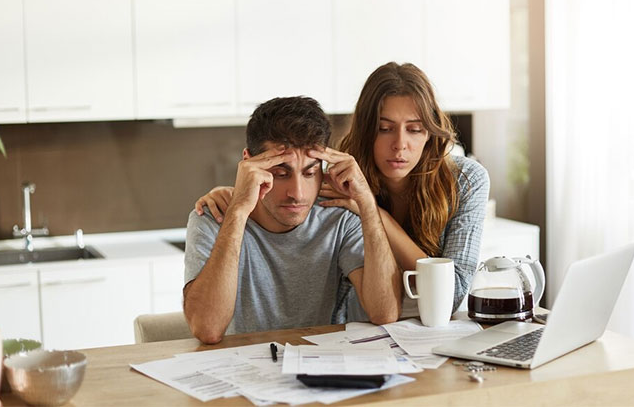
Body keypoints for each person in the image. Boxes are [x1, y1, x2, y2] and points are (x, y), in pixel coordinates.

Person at [195, 62, 490, 320]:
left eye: (414, 129)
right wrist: (235, 196)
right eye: (385, 128)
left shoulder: (465, 181)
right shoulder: (340, 177)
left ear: (430, 131)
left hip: (435, 326)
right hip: (363, 333)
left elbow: (453, 294)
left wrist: (372, 211)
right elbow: (290, 181)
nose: (400, 144)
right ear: (366, 128)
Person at [183, 96, 401, 344]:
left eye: (310, 173)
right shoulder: (215, 216)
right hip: (244, 372)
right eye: (280, 173)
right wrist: (238, 212)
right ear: (248, 163)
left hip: (325, 367)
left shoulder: (339, 216)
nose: (297, 193)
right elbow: (207, 328)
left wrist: (367, 205)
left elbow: (385, 314)